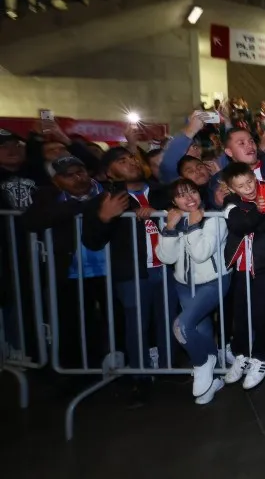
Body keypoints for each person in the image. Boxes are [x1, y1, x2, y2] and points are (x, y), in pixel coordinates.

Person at [81, 147, 176, 403]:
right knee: (137, 325)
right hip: (132, 272)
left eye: (132, 158)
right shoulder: (106, 200)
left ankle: (169, 367)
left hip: (166, 268)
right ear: (109, 172)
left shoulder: (163, 191)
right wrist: (104, 218)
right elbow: (92, 241)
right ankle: (140, 376)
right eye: (121, 161)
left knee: (168, 319)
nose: (131, 162)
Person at [21, 156, 113, 370]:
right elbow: (29, 221)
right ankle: (77, 370)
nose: (77, 178)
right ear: (56, 181)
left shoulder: (109, 190)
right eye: (68, 175)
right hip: (70, 271)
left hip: (110, 269)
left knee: (116, 321)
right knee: (74, 324)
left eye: (80, 171)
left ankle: (119, 367)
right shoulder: (47, 196)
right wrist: (79, 207)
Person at [156, 178, 229, 405]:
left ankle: (201, 364)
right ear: (173, 201)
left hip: (213, 282)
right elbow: (166, 258)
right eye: (181, 195)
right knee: (201, 331)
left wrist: (194, 226)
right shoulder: (172, 220)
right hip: (183, 284)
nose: (189, 198)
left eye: (192, 191)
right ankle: (213, 380)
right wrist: (169, 228)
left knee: (182, 326)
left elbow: (201, 253)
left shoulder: (214, 218)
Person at [221, 162, 265, 390]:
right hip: (241, 264)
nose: (248, 188)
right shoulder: (230, 201)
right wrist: (261, 212)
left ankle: (262, 356)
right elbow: (237, 225)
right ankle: (241, 355)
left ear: (254, 176)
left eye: (250, 181)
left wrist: (252, 220)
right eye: (241, 186)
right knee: (239, 313)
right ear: (232, 189)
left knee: (264, 313)